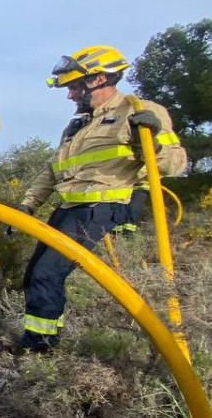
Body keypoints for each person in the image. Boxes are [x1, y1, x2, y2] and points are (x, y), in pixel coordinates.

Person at [14, 46, 186, 352]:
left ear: (99, 80)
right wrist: (28, 205)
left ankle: (38, 349)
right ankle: (42, 341)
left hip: (101, 208)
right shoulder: (79, 124)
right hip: (69, 208)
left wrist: (146, 142)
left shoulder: (140, 111)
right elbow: (53, 170)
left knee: (46, 274)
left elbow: (174, 164)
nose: (69, 96)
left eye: (74, 87)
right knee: (35, 274)